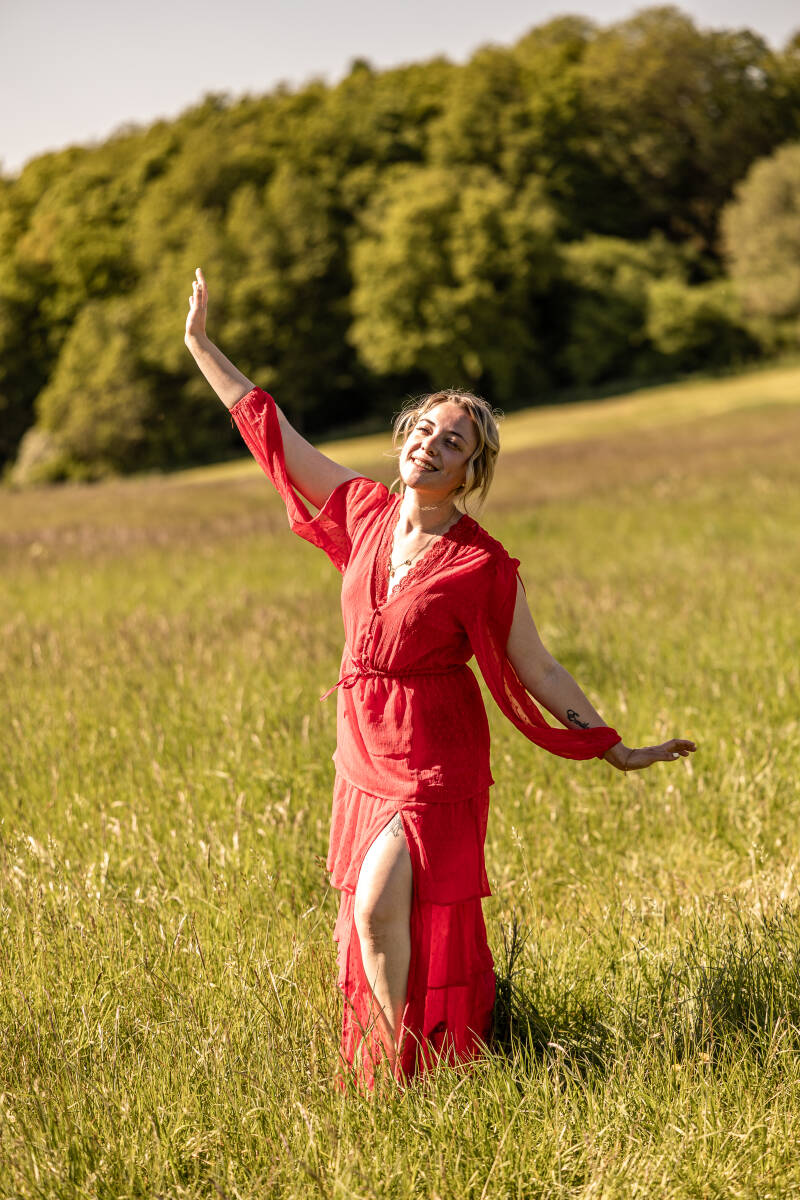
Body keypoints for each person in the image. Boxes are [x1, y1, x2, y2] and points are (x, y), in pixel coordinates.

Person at [184, 267, 697, 1087]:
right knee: (380, 915)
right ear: (403, 438)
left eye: (452, 442)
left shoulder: (481, 564)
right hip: (363, 743)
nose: (431, 444)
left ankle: (401, 1069)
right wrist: (203, 346)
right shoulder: (362, 510)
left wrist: (613, 748)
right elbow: (272, 431)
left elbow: (537, 665)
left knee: (377, 904)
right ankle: (404, 1071)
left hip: (434, 753)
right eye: (424, 429)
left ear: (469, 471)